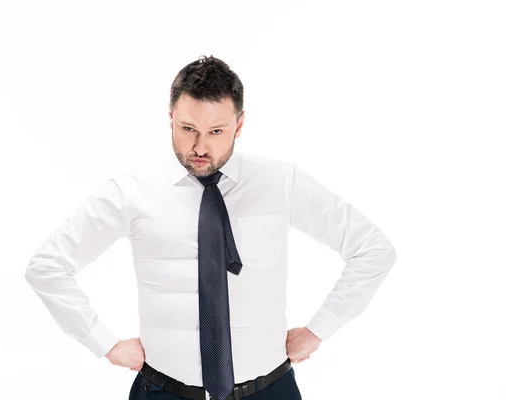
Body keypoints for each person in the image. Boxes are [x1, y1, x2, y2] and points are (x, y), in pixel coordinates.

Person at [24, 54, 397, 400]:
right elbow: (48, 265)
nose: (200, 147)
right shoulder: (130, 191)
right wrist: (101, 341)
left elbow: (373, 249)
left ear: (240, 123)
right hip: (165, 391)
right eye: (188, 128)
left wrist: (319, 330)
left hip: (269, 389)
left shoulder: (281, 182)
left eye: (217, 131)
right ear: (170, 117)